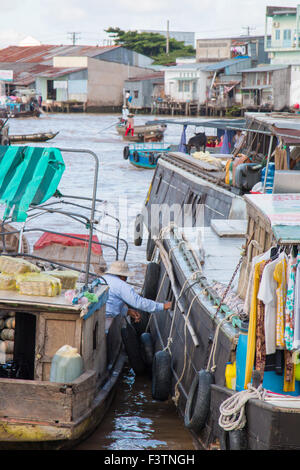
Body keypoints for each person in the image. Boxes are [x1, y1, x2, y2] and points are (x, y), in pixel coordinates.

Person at [103, 260, 172, 321]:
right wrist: (163, 306)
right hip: (105, 318)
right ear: (123, 276)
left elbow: (111, 303)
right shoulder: (121, 285)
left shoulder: (103, 278)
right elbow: (138, 302)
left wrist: (127, 311)